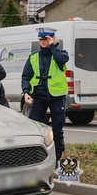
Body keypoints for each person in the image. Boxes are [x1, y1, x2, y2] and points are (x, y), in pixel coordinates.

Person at [21, 27, 69, 165]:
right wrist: (25, 92)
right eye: (41, 39)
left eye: (46, 39)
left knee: (57, 127)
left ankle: (57, 157)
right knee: (33, 126)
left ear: (52, 39)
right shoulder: (34, 57)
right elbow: (26, 76)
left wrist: (53, 45)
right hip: (40, 96)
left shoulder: (61, 54)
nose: (43, 42)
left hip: (56, 96)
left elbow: (60, 60)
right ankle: (32, 155)